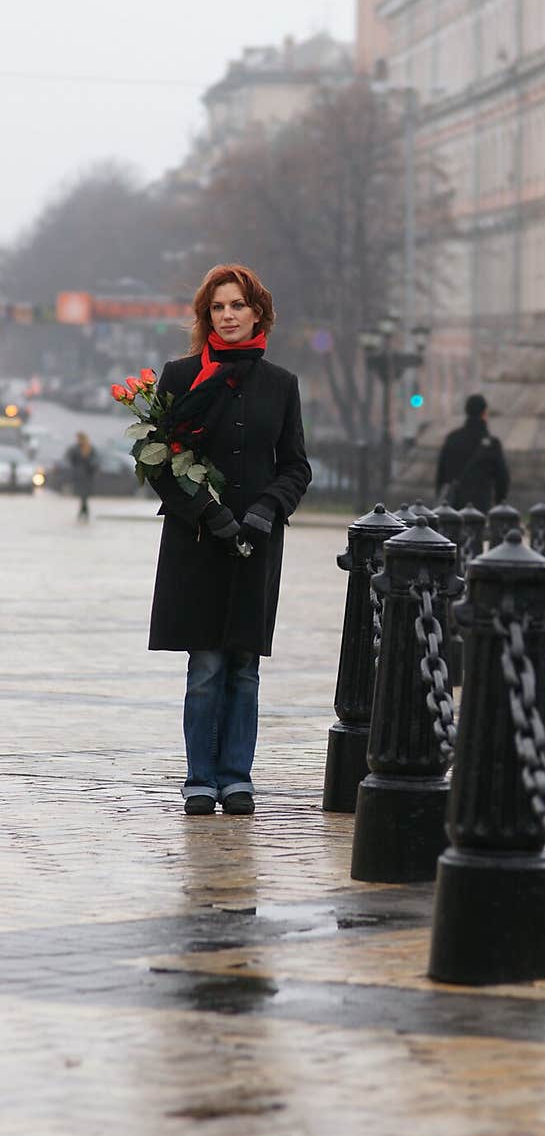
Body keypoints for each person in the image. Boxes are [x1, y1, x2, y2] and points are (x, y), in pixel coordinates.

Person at [146, 263, 312, 817]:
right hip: (198, 542)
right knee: (206, 666)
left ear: (257, 312)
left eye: (237, 305)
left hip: (256, 541)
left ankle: (237, 778)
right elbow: (161, 465)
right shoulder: (181, 376)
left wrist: (267, 508)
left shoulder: (281, 385)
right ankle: (200, 780)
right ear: (206, 315)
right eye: (218, 307)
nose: (228, 315)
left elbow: (294, 466)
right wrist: (207, 514)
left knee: (243, 664)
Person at [434, 393, 510, 514]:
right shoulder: (491, 444)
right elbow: (502, 478)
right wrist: (499, 502)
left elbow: (441, 474)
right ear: (484, 413)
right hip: (480, 507)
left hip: (454, 506)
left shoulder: (452, 439)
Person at [66, 431, 97, 520]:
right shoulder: (75, 448)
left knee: (84, 495)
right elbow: (71, 459)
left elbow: (94, 460)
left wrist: (91, 466)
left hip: (87, 475)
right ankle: (84, 512)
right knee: (83, 495)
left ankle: (83, 512)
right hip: (79, 475)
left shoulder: (90, 448)